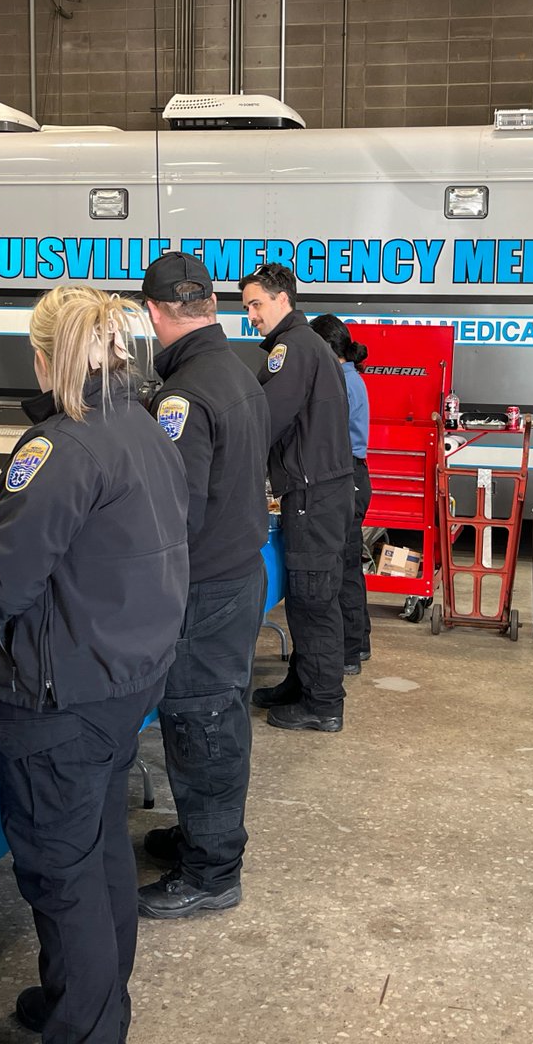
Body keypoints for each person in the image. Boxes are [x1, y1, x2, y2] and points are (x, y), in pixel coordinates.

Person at [0, 285, 189, 1044]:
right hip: (124, 677)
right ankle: (86, 1000)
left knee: (62, 873)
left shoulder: (61, 447)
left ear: (44, 357)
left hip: (62, 696)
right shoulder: (143, 427)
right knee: (99, 849)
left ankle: (86, 1026)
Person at [134, 253, 271, 919]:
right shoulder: (238, 372)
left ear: (154, 314)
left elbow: (172, 513)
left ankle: (212, 872)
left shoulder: (183, 396)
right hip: (241, 575)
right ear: (210, 306)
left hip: (205, 590)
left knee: (202, 723)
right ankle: (199, 836)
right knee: (221, 712)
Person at [239, 262, 354, 732]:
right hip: (323, 489)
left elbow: (265, 418)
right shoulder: (309, 346)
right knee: (313, 594)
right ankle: (303, 682)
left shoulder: (291, 349)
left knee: (313, 599)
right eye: (247, 307)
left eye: (256, 304)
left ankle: (323, 703)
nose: (251, 315)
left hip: (313, 492)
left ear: (282, 300)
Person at [310, 313, 373, 675]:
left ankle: (348, 651)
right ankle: (358, 642)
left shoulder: (340, 383)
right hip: (354, 474)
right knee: (349, 566)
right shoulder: (350, 377)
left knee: (343, 569)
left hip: (346, 475)